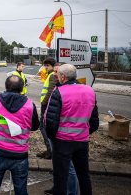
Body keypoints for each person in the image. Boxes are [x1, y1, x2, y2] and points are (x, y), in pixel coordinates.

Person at [45, 64, 99, 195]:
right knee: (84, 175)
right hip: (82, 142)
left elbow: (50, 122)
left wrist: (53, 137)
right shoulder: (89, 91)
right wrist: (84, 132)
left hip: (62, 141)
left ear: (63, 77)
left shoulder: (58, 92)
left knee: (61, 178)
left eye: (58, 75)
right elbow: (94, 122)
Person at [0, 75, 40, 195]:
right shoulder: (30, 105)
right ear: (22, 88)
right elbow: (35, 126)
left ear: (6, 86)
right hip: (19, 154)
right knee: (20, 188)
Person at [44, 62, 79, 195]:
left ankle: (71, 192)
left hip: (63, 137)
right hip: (62, 135)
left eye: (57, 73)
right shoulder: (58, 88)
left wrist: (52, 134)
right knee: (58, 165)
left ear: (63, 76)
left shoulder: (62, 91)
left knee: (69, 167)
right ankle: (58, 188)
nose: (54, 75)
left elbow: (55, 117)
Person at [37, 57, 56, 159]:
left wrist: (44, 103)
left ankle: (50, 151)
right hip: (47, 105)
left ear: (53, 66)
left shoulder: (53, 75)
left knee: (43, 127)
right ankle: (50, 150)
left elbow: (50, 91)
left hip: (47, 106)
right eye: (45, 65)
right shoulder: (50, 75)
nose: (46, 67)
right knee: (44, 127)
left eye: (48, 66)